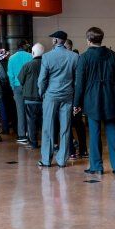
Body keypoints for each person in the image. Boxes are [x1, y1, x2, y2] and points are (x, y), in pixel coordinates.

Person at [74, 27, 115, 176]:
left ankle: (97, 166)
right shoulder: (112, 55)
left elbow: (80, 83)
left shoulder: (84, 57)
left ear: (89, 40)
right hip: (111, 98)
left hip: (92, 99)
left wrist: (76, 104)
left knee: (94, 133)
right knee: (113, 131)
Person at [37, 31, 79, 168]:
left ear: (55, 40)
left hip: (51, 95)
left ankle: (46, 160)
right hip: (68, 95)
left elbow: (42, 79)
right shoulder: (74, 56)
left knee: (48, 127)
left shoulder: (47, 57)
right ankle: (62, 160)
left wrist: (41, 93)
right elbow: (77, 80)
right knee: (66, 127)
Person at [65, 39, 88, 159]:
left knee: (67, 123)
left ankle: (72, 151)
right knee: (79, 123)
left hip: (66, 96)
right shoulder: (78, 58)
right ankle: (83, 150)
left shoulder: (63, 59)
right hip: (77, 96)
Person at [18, 43, 45, 149]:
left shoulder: (27, 65)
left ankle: (33, 143)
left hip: (30, 99)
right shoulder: (46, 64)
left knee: (31, 121)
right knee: (45, 122)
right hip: (44, 98)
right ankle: (47, 143)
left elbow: (20, 80)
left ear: (32, 53)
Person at [7, 39, 32, 143]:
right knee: (30, 112)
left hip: (17, 87)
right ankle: (31, 134)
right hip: (29, 87)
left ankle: (22, 135)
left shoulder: (12, 58)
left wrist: (13, 87)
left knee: (20, 111)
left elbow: (10, 75)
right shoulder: (30, 56)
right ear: (24, 46)